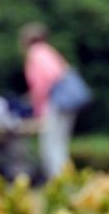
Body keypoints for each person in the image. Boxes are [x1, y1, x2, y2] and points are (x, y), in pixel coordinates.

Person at [20, 22, 85, 181]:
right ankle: (64, 179)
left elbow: (45, 81)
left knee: (50, 145)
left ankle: (58, 181)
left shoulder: (36, 53)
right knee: (60, 144)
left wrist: (38, 108)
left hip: (56, 103)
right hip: (64, 102)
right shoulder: (49, 51)